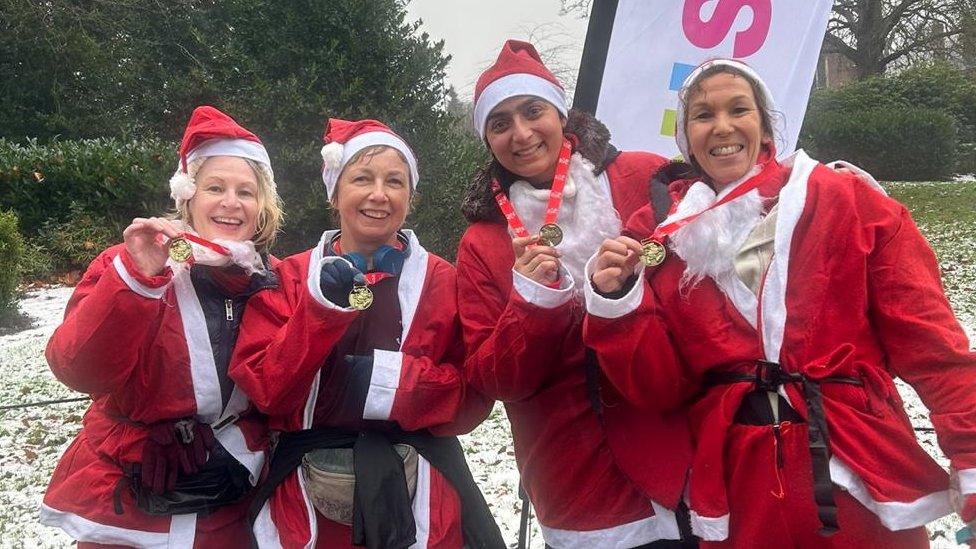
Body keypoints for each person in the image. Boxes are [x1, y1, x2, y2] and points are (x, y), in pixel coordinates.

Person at [584, 58, 976, 548]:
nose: (722, 126)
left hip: (855, 477)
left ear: (766, 125)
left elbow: (935, 352)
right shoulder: (661, 233)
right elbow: (659, 388)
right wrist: (618, 301)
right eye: (703, 115)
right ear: (686, 135)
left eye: (738, 109)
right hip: (738, 491)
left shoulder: (846, 200)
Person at [457, 40, 694, 548]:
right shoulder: (483, 241)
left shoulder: (642, 176)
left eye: (532, 111)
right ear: (487, 139)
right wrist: (530, 303)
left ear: (560, 113)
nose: (520, 134)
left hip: (685, 456)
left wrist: (822, 187)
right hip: (578, 482)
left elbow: (731, 222)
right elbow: (497, 381)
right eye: (499, 124)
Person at [229, 118, 503, 549]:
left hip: (422, 488)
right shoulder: (290, 277)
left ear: (410, 197)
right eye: (362, 179)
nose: (379, 194)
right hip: (305, 496)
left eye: (395, 181)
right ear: (335, 194)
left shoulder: (442, 280)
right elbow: (264, 389)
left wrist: (391, 382)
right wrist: (318, 314)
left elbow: (474, 395)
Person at [41, 106, 283, 547]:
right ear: (187, 196)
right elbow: (78, 369)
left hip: (227, 496)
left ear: (262, 205)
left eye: (245, 191)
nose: (231, 202)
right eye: (215, 187)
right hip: (128, 494)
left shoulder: (274, 278)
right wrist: (136, 282)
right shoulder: (134, 260)